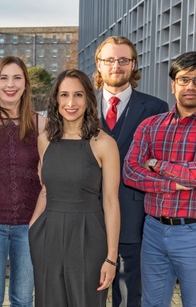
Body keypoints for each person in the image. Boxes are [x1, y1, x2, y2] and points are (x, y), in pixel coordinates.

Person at [123, 51, 196, 306]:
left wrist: (154, 163)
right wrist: (173, 182)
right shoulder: (151, 126)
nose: (191, 86)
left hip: (194, 233)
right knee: (152, 303)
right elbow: (130, 172)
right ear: (173, 84)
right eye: (184, 79)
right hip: (153, 230)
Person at [29, 69, 121, 307]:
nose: (71, 103)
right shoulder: (45, 139)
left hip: (88, 236)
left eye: (78, 95)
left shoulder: (104, 144)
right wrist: (33, 227)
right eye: (64, 95)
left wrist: (111, 258)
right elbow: (45, 189)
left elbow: (111, 202)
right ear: (55, 100)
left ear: (88, 99)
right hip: (48, 235)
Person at [93, 36, 169, 307]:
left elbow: (157, 163)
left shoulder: (156, 109)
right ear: (99, 65)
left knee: (129, 296)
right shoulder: (79, 105)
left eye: (124, 60)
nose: (117, 65)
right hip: (86, 217)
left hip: (133, 217)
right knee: (87, 294)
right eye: (109, 60)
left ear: (134, 65)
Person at [0, 56, 46, 307]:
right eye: (3, 78)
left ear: (26, 84)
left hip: (29, 225)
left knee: (23, 299)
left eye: (17, 77)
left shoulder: (40, 124)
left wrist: (36, 222)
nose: (10, 84)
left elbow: (48, 179)